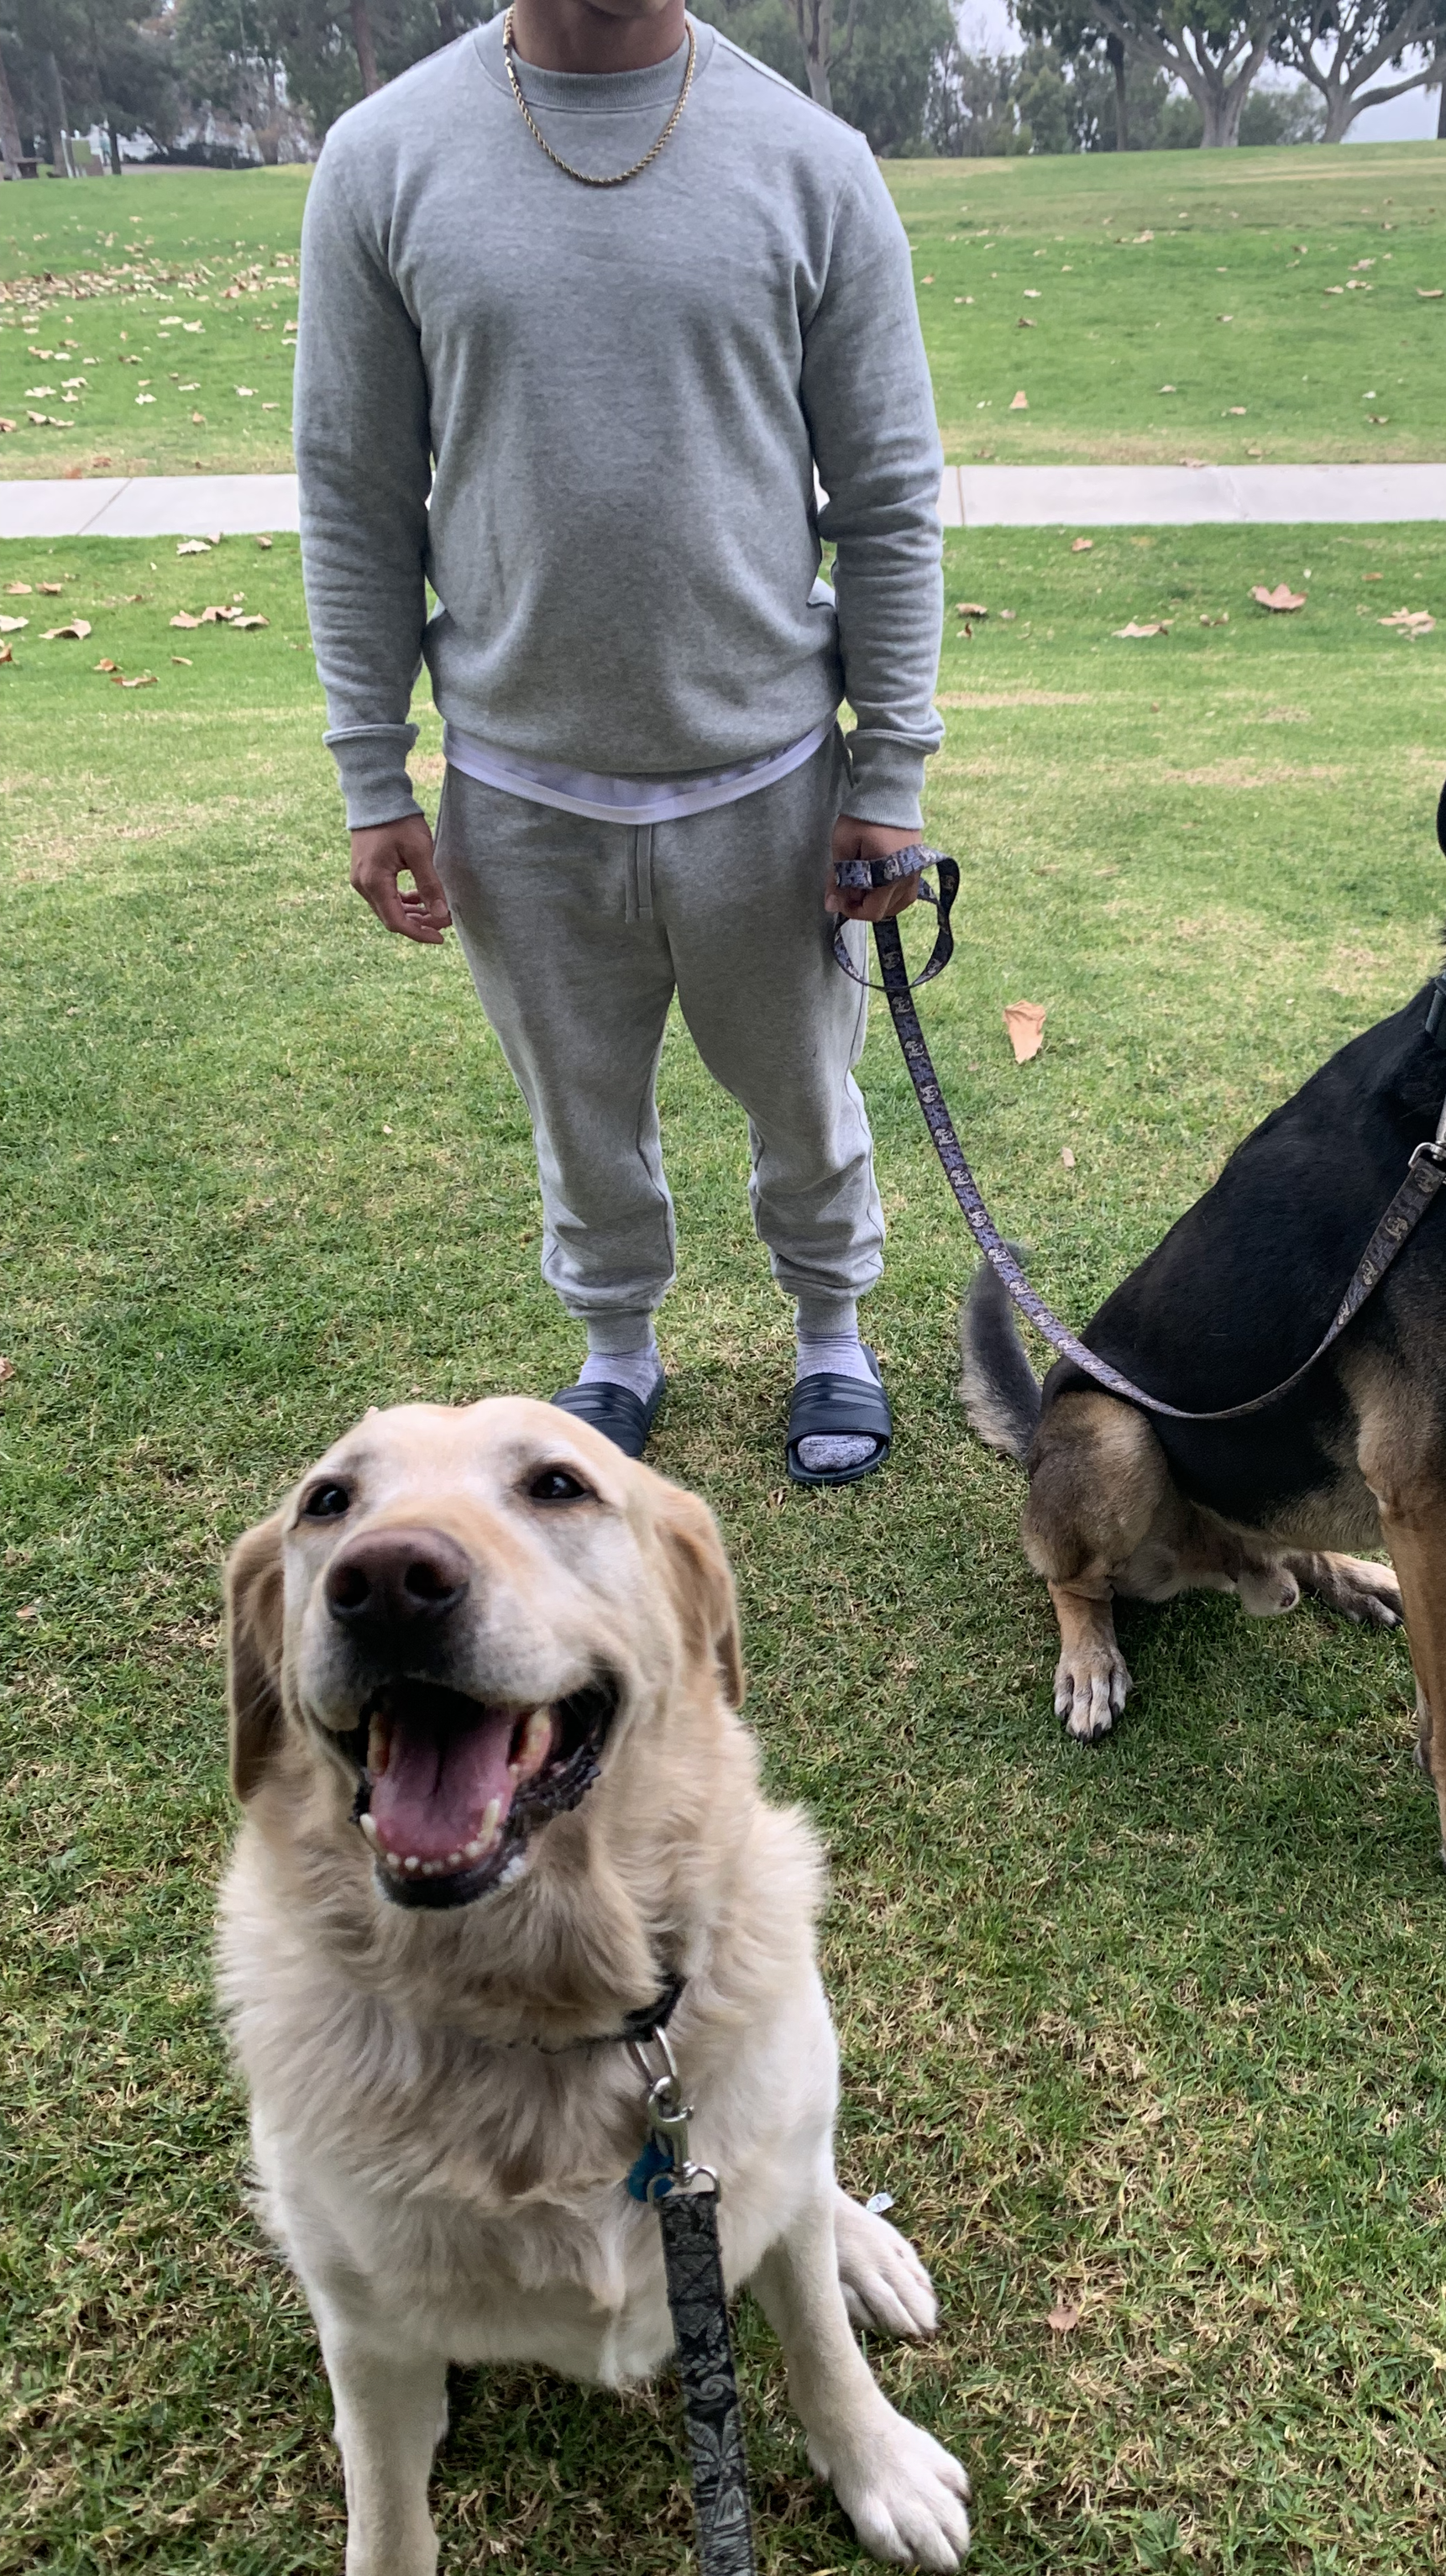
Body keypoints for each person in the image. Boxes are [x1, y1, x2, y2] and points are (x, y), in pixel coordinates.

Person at [294, 0, 944, 1478]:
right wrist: (369, 773)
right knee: (578, 1116)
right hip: (519, 786)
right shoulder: (382, 158)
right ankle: (616, 1352)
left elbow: (890, 497)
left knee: (805, 1097)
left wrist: (889, 774)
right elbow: (352, 493)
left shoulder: (810, 159)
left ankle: (831, 1332)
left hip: (771, 782)